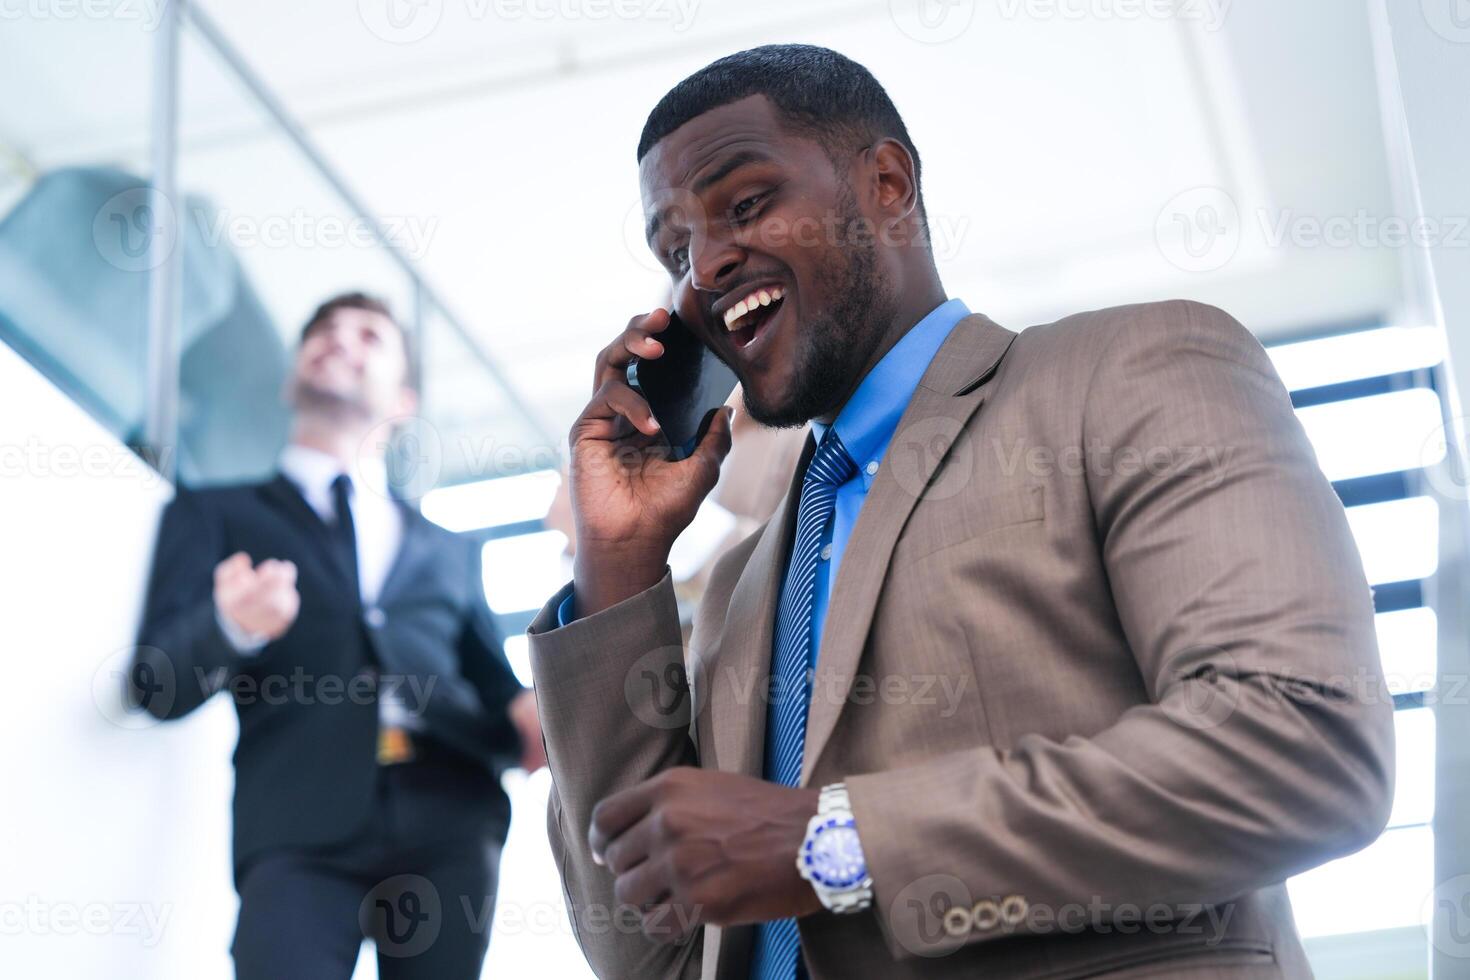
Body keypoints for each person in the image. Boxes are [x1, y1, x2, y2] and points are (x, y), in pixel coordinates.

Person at [526, 45, 1394, 979]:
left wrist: (835, 847)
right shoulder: (741, 588)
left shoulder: (1128, 372)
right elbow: (643, 952)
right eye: (673, 252)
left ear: (888, 184)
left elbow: (1302, 744)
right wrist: (617, 569)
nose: (705, 266)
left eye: (743, 205)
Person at [131, 292, 544, 980]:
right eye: (321, 330)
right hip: (296, 822)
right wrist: (233, 627)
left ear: (403, 400)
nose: (339, 340)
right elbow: (155, 685)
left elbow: (494, 686)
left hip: (452, 814)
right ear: (293, 374)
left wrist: (537, 715)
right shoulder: (212, 512)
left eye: (369, 336)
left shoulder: (447, 549)